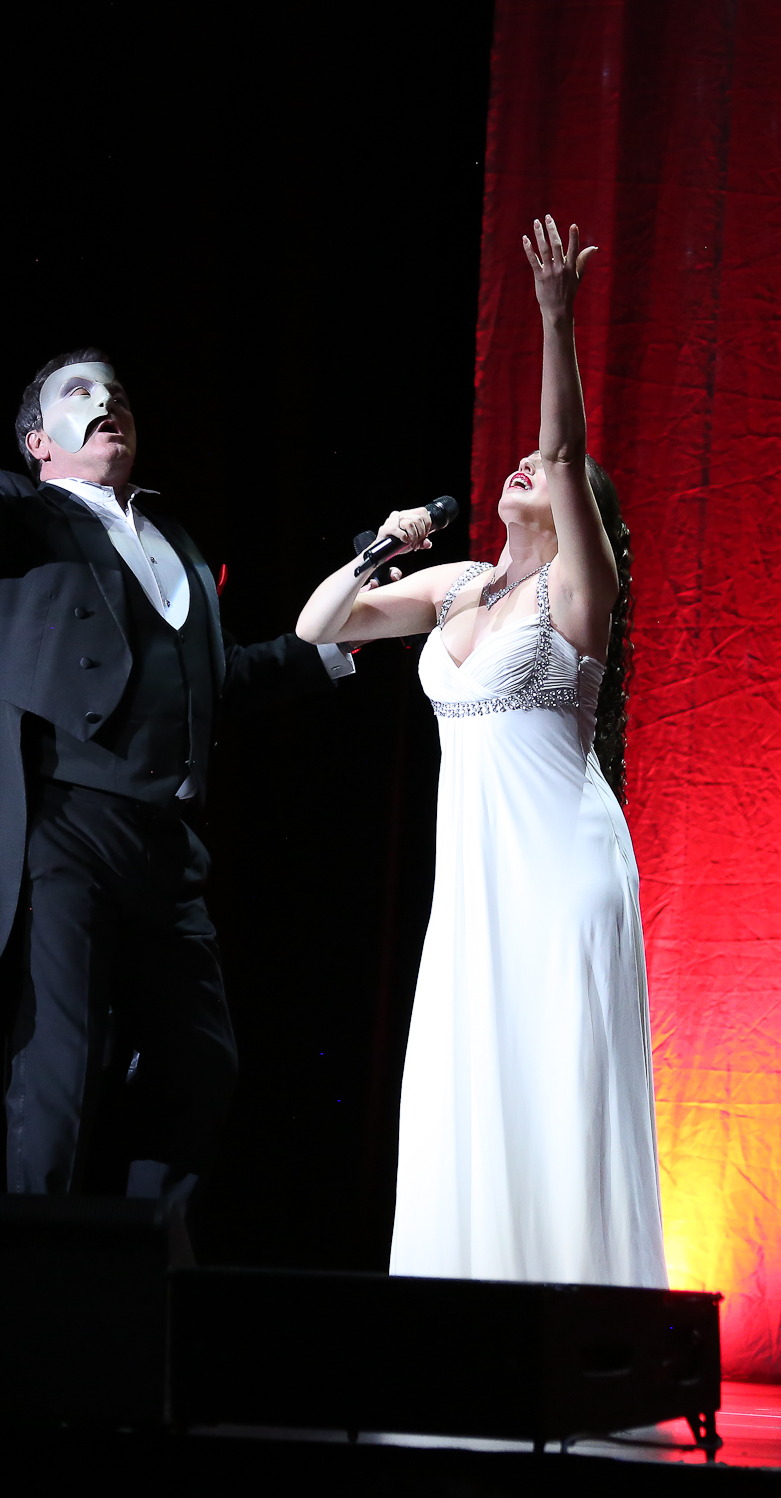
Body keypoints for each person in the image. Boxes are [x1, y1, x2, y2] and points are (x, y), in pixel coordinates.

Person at [0, 225, 358, 1204]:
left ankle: (137, 1256)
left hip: (167, 840)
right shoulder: (14, 516)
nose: (107, 401)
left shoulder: (175, 540)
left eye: (116, 391)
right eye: (79, 393)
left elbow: (214, 682)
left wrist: (334, 654)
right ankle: (38, 1276)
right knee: (62, 1063)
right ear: (38, 443)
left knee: (201, 1066)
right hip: (66, 821)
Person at [296, 216, 665, 1286]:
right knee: (471, 1088)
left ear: (580, 515)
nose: (526, 466)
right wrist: (384, 545)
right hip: (476, 888)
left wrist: (554, 318)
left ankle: (570, 1322)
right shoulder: (459, 585)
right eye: (522, 462)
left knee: (550, 1093)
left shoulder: (578, 592)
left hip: (559, 876)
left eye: (542, 473)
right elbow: (321, 625)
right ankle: (468, 1323)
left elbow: (566, 450)